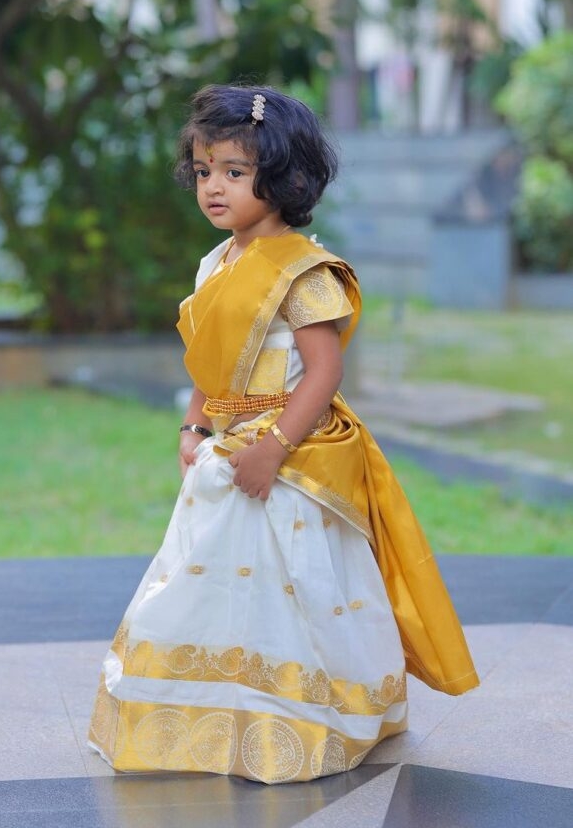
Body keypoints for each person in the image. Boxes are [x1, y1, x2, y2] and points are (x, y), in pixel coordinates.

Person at [88, 84, 478, 784]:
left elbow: (323, 372)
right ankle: (208, 723)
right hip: (226, 450)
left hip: (291, 458)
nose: (213, 187)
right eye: (204, 170)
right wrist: (193, 422)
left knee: (291, 590)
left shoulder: (301, 271)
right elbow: (209, 353)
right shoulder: (218, 263)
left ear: (283, 177)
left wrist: (273, 448)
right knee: (203, 583)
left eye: (234, 173)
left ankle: (302, 723)